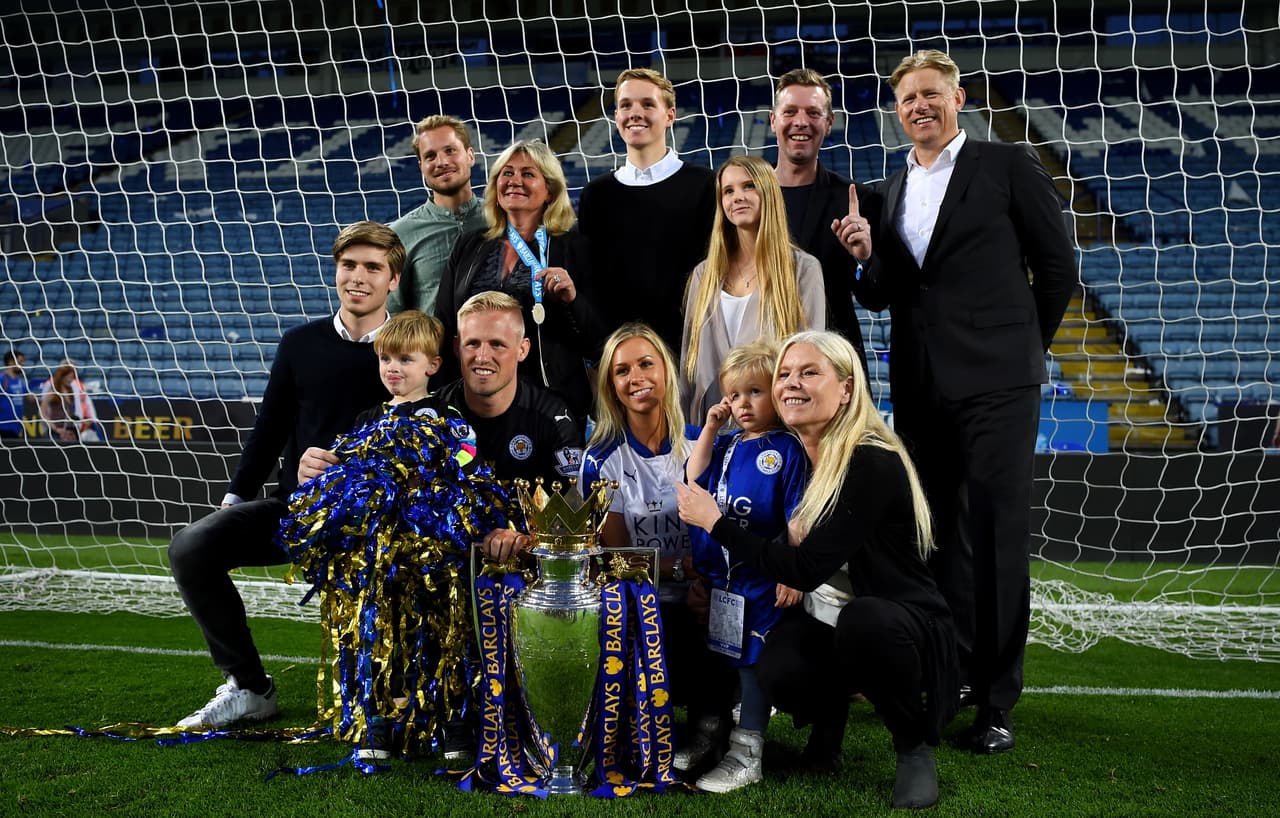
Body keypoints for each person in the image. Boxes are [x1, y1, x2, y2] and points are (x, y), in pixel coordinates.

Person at [864, 50, 1077, 754]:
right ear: (897, 112)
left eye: (930, 94)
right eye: (906, 99)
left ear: (957, 97)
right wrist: (868, 254)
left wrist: (1019, 350)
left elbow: (1057, 265)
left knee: (994, 536)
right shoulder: (892, 189)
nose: (918, 106)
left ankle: (996, 699)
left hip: (998, 384)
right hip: (921, 387)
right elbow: (889, 289)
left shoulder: (1006, 165)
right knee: (940, 540)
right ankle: (951, 673)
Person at [676, 330, 957, 810]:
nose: (791, 383)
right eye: (784, 373)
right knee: (775, 663)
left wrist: (717, 524)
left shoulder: (869, 458)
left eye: (809, 372)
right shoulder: (790, 453)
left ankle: (913, 748)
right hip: (826, 615)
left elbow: (804, 567)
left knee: (864, 621)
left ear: (846, 388)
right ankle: (827, 733)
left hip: (903, 625)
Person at [169, 220, 400, 730]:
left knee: (369, 707)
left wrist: (361, 472)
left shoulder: (416, 346)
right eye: (348, 265)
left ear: (394, 280)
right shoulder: (300, 343)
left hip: (378, 526)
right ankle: (250, 688)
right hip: (298, 512)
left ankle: (395, 692)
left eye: (372, 267)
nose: (358, 277)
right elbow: (271, 425)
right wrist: (237, 497)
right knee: (192, 546)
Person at [681, 338, 808, 793]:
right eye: (734, 395)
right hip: (721, 580)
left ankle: (747, 751)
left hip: (760, 578)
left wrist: (793, 571)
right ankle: (710, 734)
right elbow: (693, 478)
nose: (743, 403)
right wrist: (711, 429)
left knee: (753, 663)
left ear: (776, 393)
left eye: (755, 391)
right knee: (718, 658)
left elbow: (796, 516)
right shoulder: (728, 443)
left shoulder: (787, 449)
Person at [435, 140, 604, 426]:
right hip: (475, 401)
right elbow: (445, 323)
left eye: (528, 174)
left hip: (549, 406)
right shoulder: (470, 245)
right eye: (507, 173)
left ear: (549, 190)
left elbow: (598, 341)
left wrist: (573, 300)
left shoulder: (574, 247)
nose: (515, 181)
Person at [577, 68, 718, 354]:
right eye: (626, 105)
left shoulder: (706, 185)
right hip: (618, 356)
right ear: (616, 116)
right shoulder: (597, 195)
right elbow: (592, 286)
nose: (635, 113)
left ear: (670, 115)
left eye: (648, 104)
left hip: (690, 351)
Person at [680, 155, 826, 421]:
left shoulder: (803, 270)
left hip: (776, 431)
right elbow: (688, 368)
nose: (737, 197)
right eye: (728, 191)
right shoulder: (704, 274)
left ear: (768, 192)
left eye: (748, 186)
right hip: (710, 431)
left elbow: (812, 363)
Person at [770, 68, 880, 372]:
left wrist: (864, 259)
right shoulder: (744, 197)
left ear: (829, 123)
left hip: (833, 365)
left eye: (813, 112)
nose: (801, 122)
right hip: (762, 363)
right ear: (773, 120)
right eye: (790, 111)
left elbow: (875, 298)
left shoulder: (857, 200)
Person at [387, 115, 487, 316]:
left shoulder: (503, 218)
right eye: (430, 156)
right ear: (421, 167)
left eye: (450, 151)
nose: (441, 162)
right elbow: (393, 315)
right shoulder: (398, 234)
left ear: (470, 156)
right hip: (433, 347)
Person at [38, 362, 99, 443]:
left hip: (70, 431)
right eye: (69, 377)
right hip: (57, 432)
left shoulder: (71, 391)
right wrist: (54, 428)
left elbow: (69, 413)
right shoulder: (53, 391)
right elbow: (41, 412)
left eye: (72, 377)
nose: (71, 380)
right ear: (62, 376)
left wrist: (81, 420)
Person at [1, 349, 29, 438]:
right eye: (21, 361)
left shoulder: (20, 381)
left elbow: (30, 397)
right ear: (11, 362)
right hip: (3, 426)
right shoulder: (2, 379)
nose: (23, 364)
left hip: (16, 427)